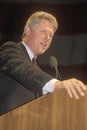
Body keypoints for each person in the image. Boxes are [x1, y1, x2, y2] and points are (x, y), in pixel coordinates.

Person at [0, 11, 86, 115]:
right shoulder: (10, 49)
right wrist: (57, 85)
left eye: (51, 35)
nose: (48, 38)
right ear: (27, 30)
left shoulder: (38, 70)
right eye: (43, 32)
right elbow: (25, 71)